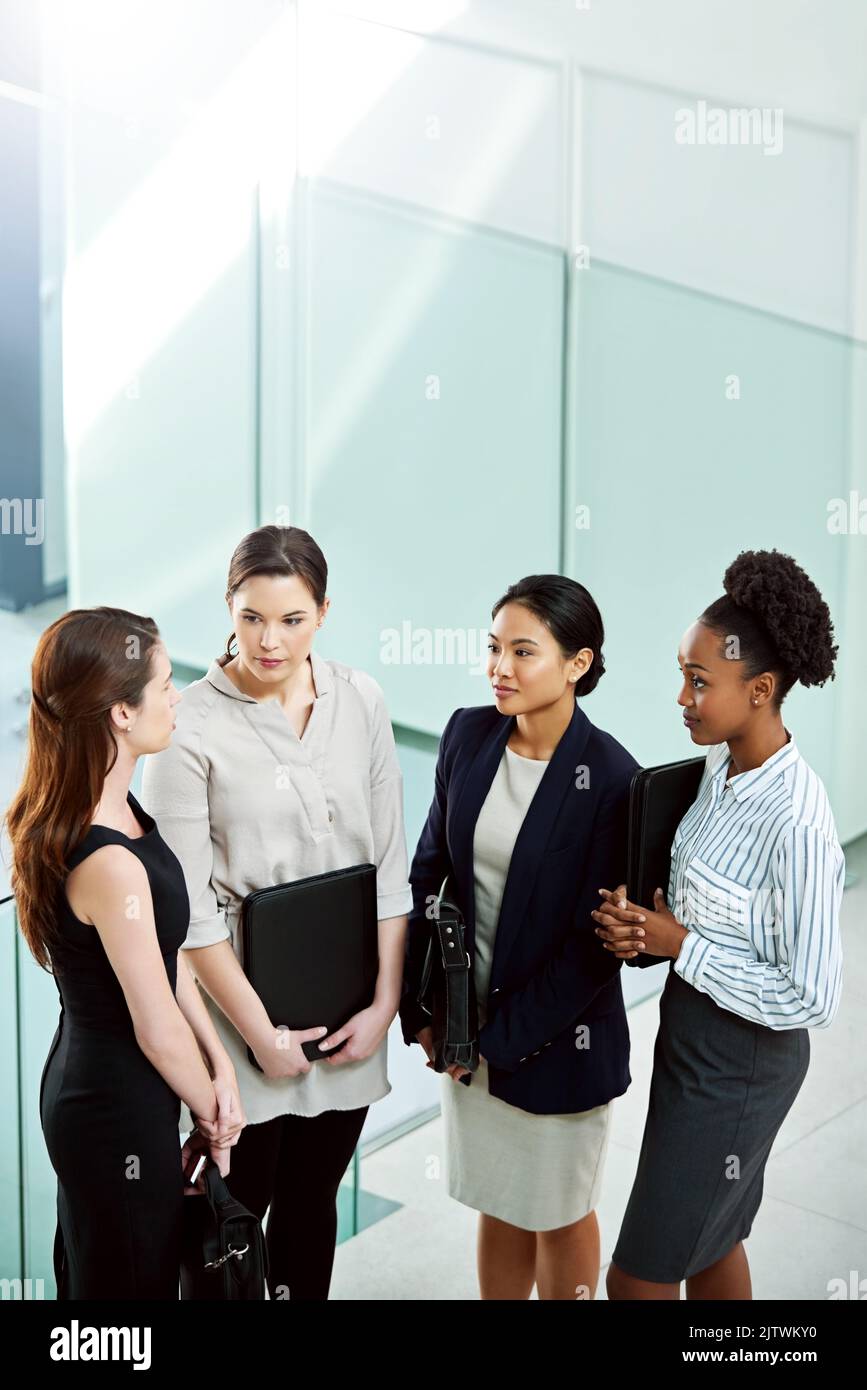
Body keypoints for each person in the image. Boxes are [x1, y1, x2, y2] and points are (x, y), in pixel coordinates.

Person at [141, 524, 413, 1301]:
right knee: (233, 1218)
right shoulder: (189, 724)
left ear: (323, 613)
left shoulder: (361, 699)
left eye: (292, 620)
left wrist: (384, 1004)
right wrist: (260, 1039)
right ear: (229, 606)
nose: (269, 640)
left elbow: (388, 869)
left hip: (350, 1012)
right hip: (239, 1025)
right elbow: (189, 916)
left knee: (312, 1205)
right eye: (251, 616)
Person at [594, 549, 845, 1300]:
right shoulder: (717, 770)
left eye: (698, 682)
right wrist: (646, 927)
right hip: (691, 1043)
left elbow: (811, 998)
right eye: (682, 673)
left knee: (633, 1280)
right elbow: (708, 912)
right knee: (711, 1244)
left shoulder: (796, 822)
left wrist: (683, 946)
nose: (681, 696)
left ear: (760, 691)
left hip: (741, 1069)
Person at [400, 574, 639, 1299]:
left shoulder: (610, 780)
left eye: (522, 652)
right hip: (465, 1028)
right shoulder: (468, 733)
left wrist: (498, 1042)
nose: (498, 668)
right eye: (493, 647)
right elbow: (429, 872)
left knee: (560, 1210)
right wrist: (432, 1015)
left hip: (555, 1037)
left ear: (577, 664)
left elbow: (593, 949)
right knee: (500, 1201)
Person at [5, 607, 244, 1300]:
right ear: (118, 713)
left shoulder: (124, 813)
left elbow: (169, 962)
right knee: (124, 1294)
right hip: (110, 1105)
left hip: (123, 1085)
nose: (177, 696)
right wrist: (211, 1110)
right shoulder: (105, 861)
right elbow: (154, 1026)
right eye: (165, 684)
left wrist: (221, 1065)